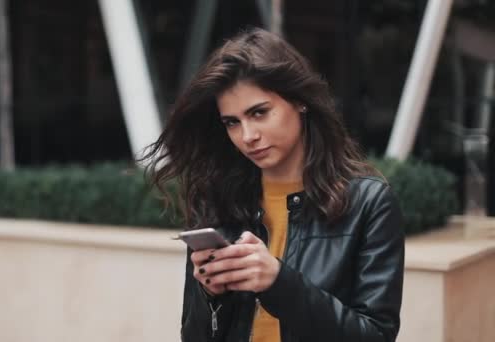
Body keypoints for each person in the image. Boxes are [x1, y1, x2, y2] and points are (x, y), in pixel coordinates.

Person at [141, 27, 404, 342]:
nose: (248, 136)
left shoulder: (368, 203)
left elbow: (375, 336)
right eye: (232, 122)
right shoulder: (221, 202)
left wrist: (279, 283)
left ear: (300, 102)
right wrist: (211, 295)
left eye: (259, 113)